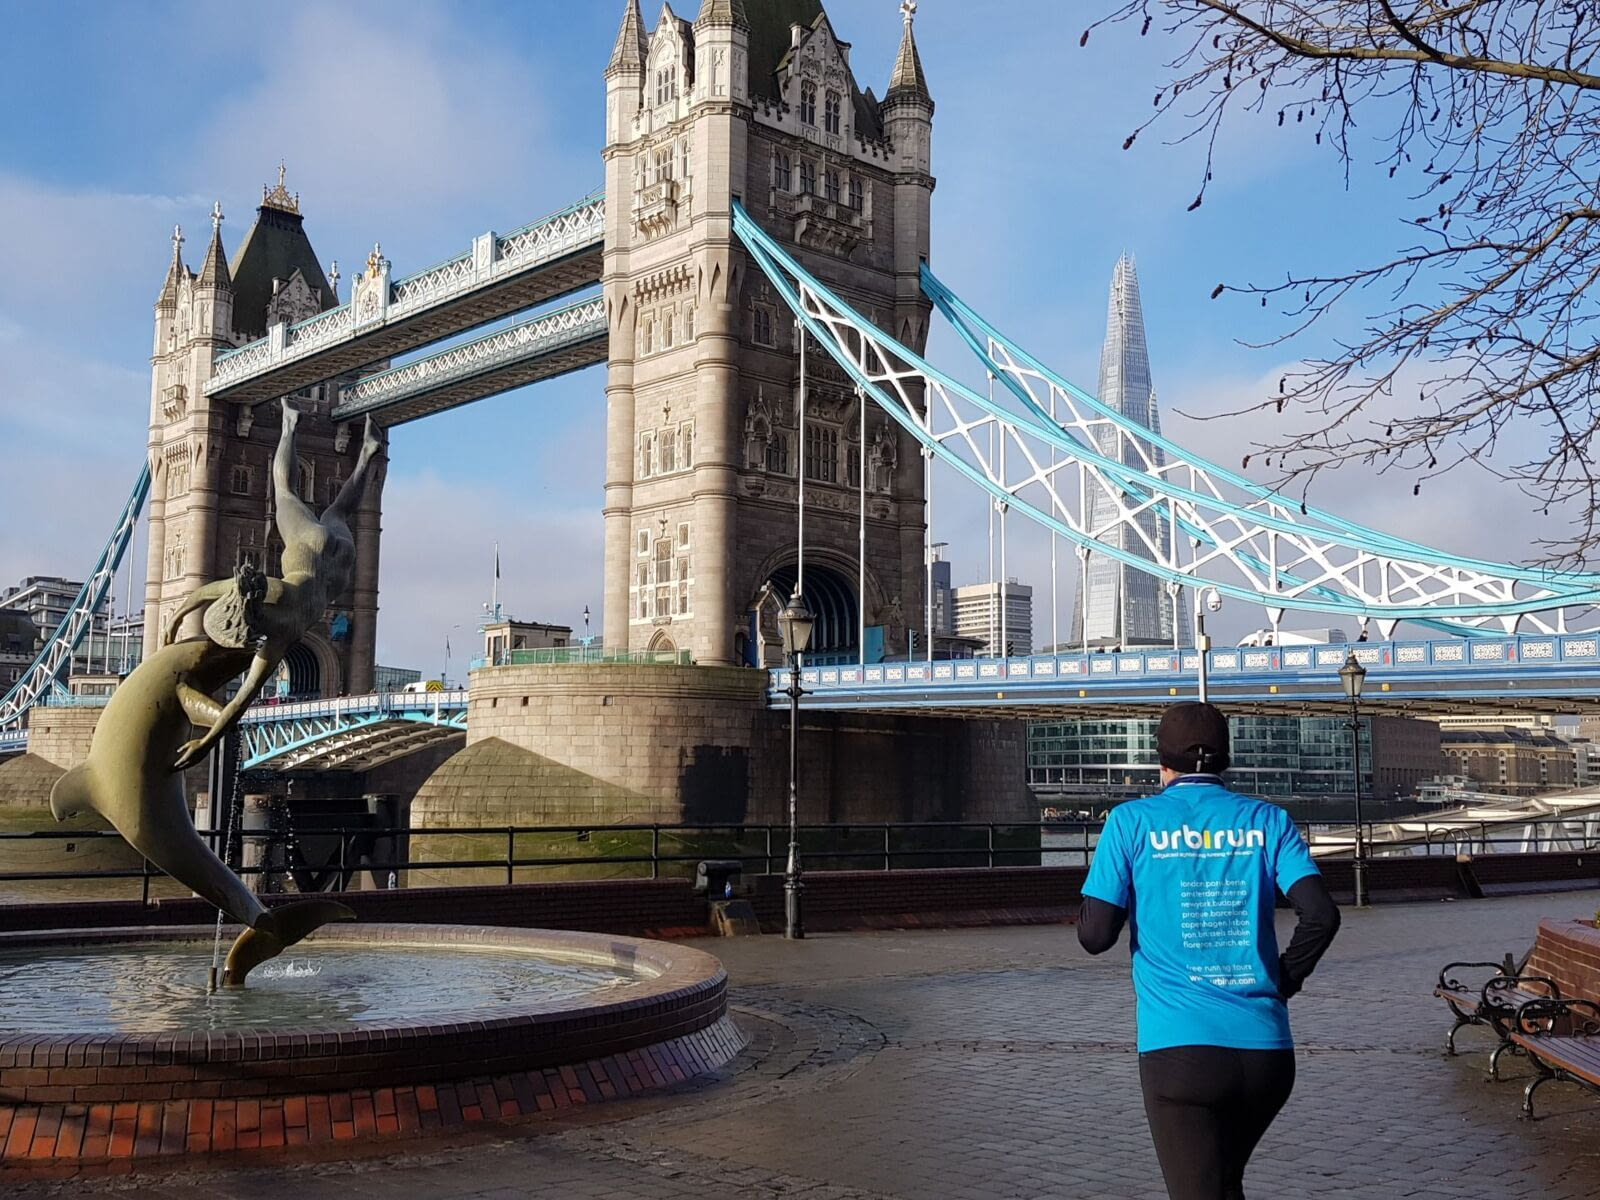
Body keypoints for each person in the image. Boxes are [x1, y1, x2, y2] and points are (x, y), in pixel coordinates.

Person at [1078, 702, 1341, 1200]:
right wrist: (1284, 981)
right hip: (1266, 1055)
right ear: (1225, 760)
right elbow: (1321, 915)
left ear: (1162, 763)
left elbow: (1095, 937)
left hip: (1179, 1054)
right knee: (1222, 1184)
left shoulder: (1130, 822)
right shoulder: (1269, 820)